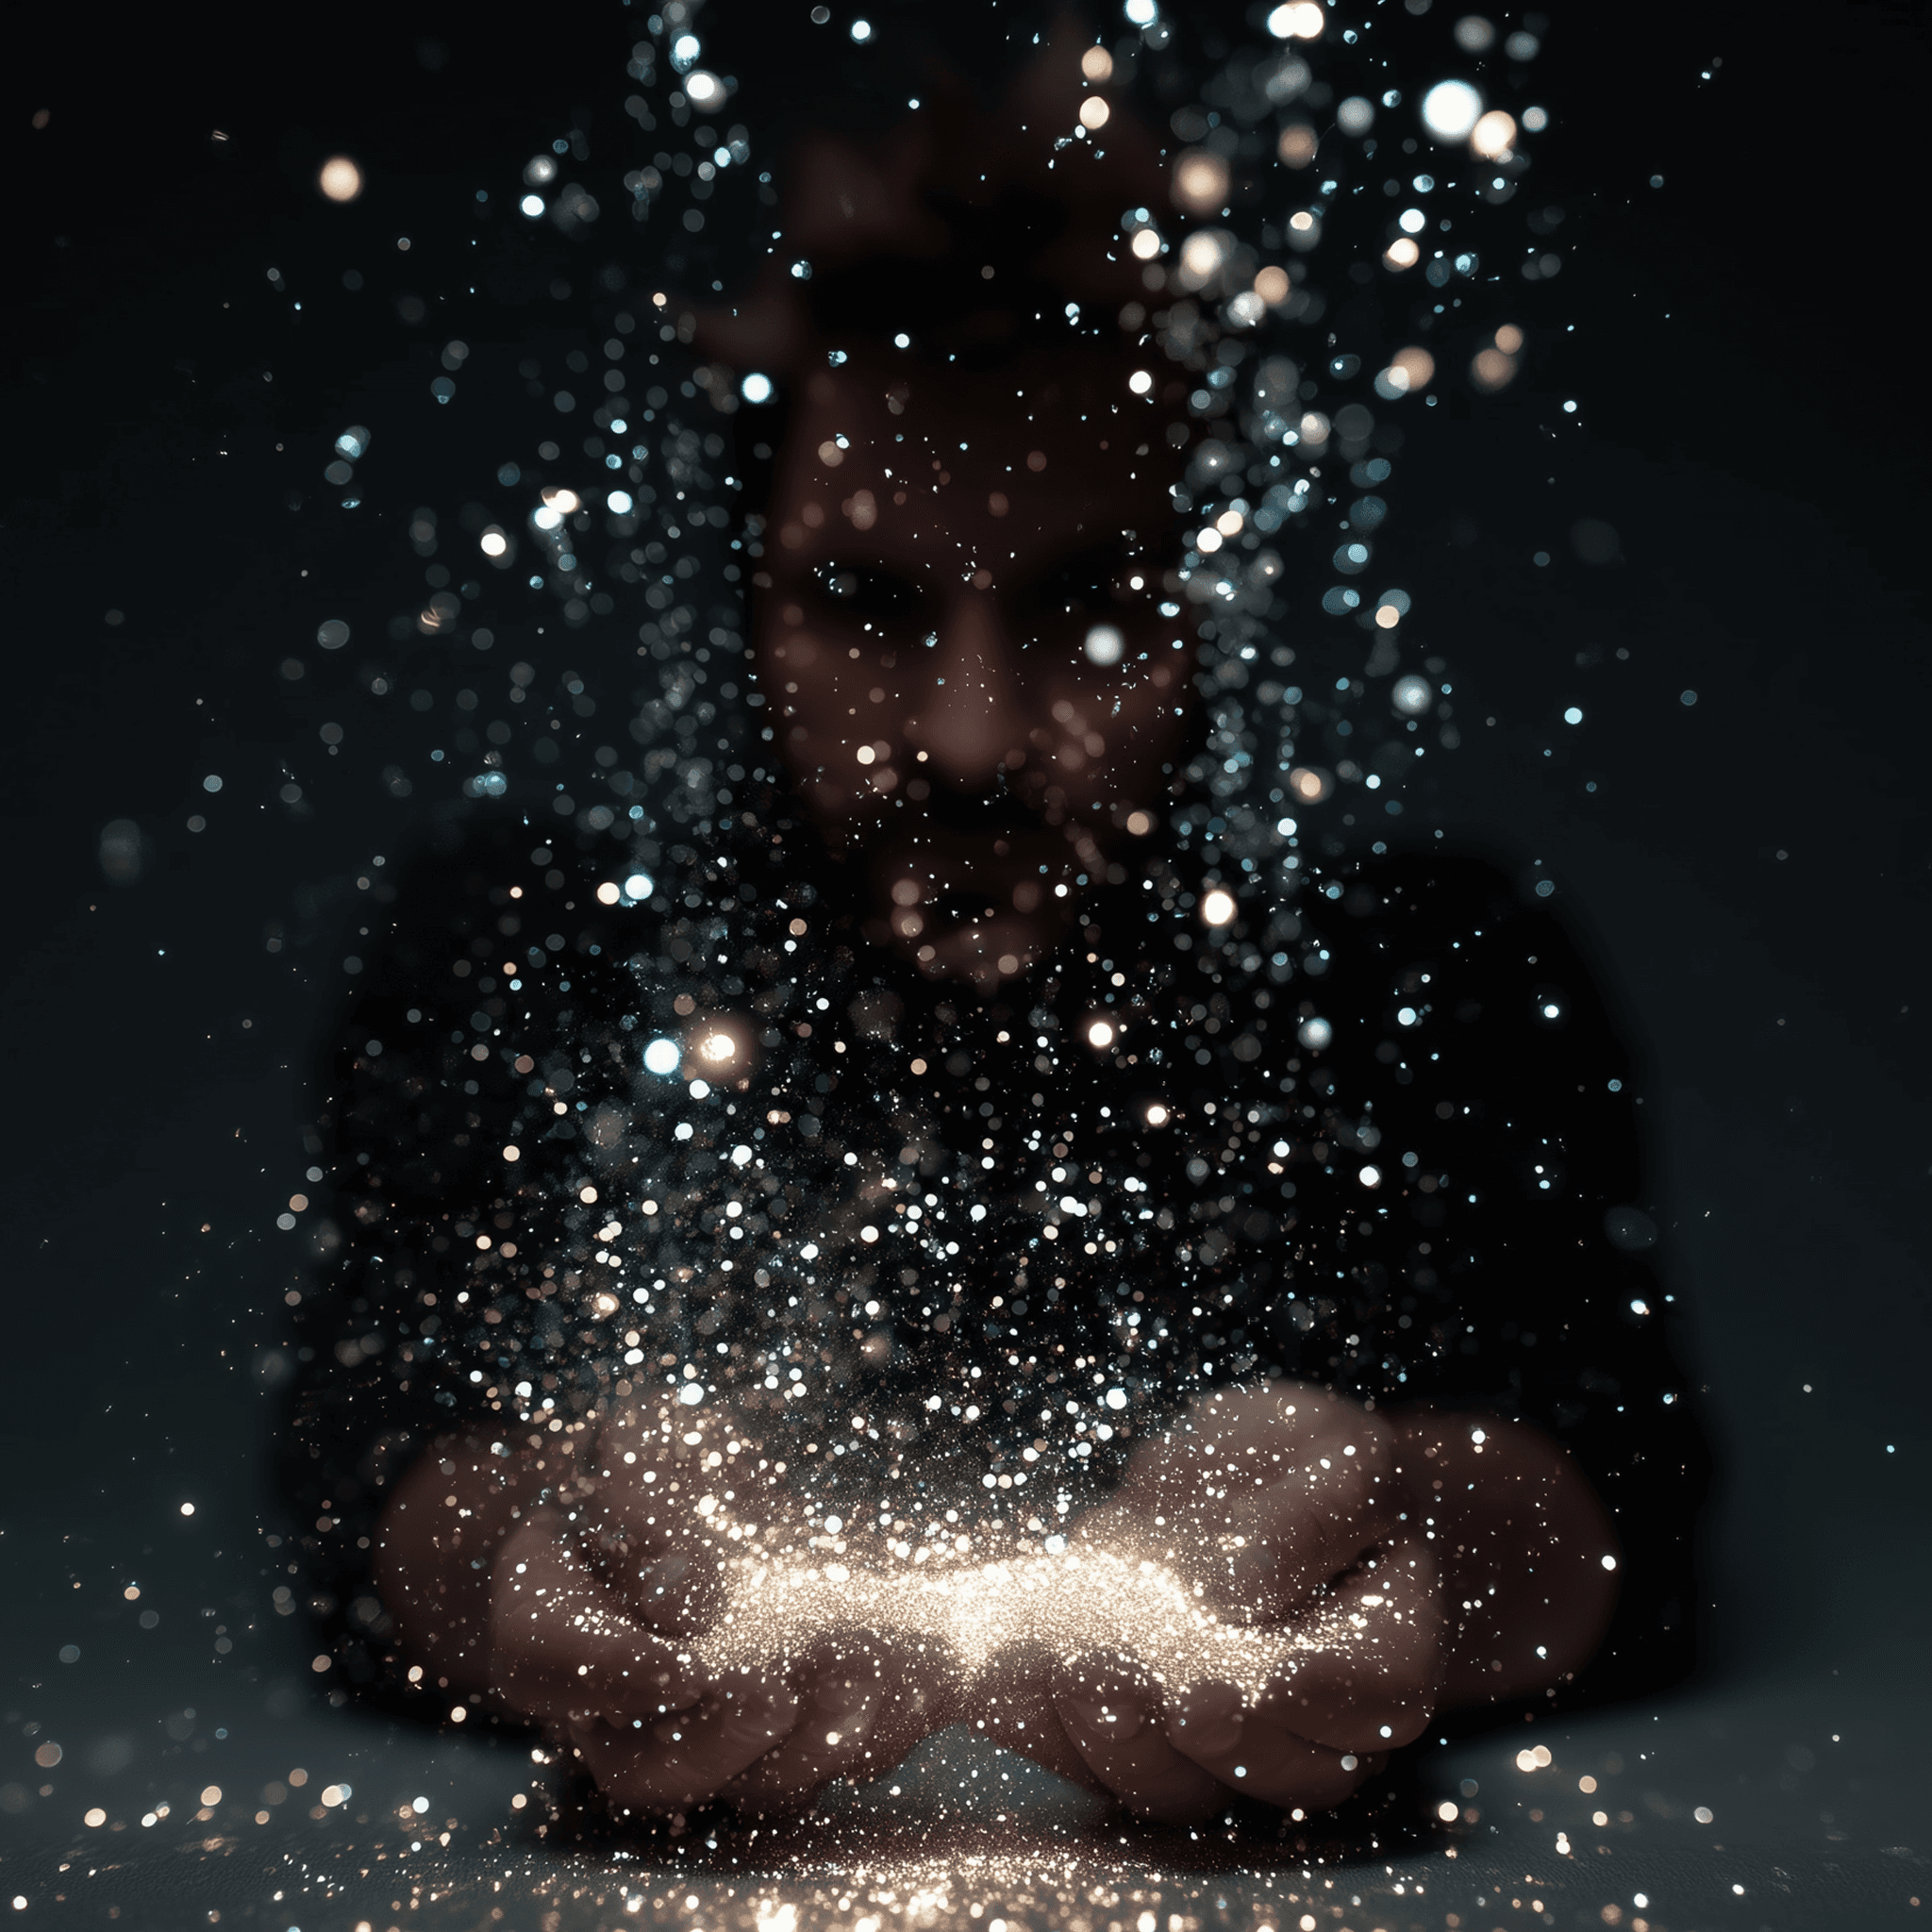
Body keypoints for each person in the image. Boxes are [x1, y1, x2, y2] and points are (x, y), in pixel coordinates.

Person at [286, 27, 1707, 1835]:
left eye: (1085, 612)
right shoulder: (531, 975)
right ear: (745, 614)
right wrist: (529, 1555)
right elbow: (361, 1472)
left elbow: (1626, 1479)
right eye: (871, 606)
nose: (970, 733)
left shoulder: (1430, 977)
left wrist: (1408, 1515)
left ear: (1211, 610)